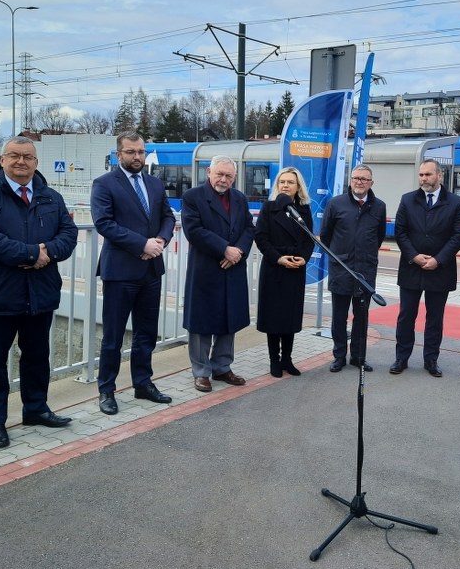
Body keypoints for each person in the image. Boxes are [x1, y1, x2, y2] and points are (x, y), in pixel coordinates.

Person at [0, 136, 78, 449]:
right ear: (1, 160)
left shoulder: (51, 198)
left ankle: (36, 408)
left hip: (40, 292)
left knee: (37, 356)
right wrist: (32, 254)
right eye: (14, 156)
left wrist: (47, 252)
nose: (21, 162)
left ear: (36, 162)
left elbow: (68, 235)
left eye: (28, 157)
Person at [91, 132, 177, 415]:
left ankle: (143, 383)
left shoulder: (154, 183)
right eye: (131, 152)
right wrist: (142, 244)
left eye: (140, 151)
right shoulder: (104, 184)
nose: (137, 157)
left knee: (146, 333)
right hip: (120, 271)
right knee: (113, 336)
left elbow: (168, 216)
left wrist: (160, 241)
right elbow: (105, 223)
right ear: (119, 155)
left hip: (150, 270)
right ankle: (107, 390)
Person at [182, 155, 256, 392]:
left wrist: (239, 251)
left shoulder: (240, 198)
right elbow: (193, 230)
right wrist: (224, 249)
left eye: (228, 176)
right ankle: (201, 371)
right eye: (219, 174)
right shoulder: (193, 197)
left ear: (234, 178)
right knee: (202, 323)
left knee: (228, 319)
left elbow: (248, 228)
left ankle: (222, 367)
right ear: (209, 173)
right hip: (206, 268)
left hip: (232, 267)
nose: (223, 180)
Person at [390, 159, 460, 377]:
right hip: (411, 268)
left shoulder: (455, 203)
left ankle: (431, 360)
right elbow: (400, 232)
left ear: (439, 176)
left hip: (440, 270)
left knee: (435, 318)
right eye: (421, 175)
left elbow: (459, 235)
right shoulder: (407, 200)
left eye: (428, 175)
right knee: (406, 316)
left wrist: (438, 259)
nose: (423, 179)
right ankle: (401, 358)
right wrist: (414, 256)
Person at [319, 164, 387, 373]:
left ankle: (358, 357)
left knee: (362, 317)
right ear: (350, 180)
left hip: (365, 271)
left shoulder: (379, 206)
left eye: (364, 179)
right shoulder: (336, 204)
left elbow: (379, 236)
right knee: (339, 317)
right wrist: (341, 256)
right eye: (356, 178)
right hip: (341, 270)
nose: (359, 182)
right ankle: (339, 356)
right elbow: (326, 236)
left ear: (371, 183)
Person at [254, 167, 315, 377]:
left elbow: (309, 239)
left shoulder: (304, 210)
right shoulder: (268, 208)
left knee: (289, 317)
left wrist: (303, 258)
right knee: (274, 317)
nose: (286, 186)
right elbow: (261, 238)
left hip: (295, 269)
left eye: (290, 182)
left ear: (298, 187)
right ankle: (274, 361)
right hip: (274, 268)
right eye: (282, 182)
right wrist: (279, 258)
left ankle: (287, 359)